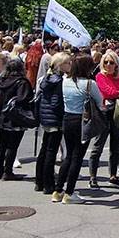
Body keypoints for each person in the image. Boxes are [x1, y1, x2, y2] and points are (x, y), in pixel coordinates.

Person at [53, 54, 97, 204]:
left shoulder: (65, 81)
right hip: (81, 121)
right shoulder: (89, 84)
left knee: (69, 155)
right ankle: (70, 192)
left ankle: (58, 190)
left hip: (68, 118)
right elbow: (101, 102)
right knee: (77, 158)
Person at [0, 57, 33, 180]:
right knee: (12, 146)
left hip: (2, 116)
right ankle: (8, 172)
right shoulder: (22, 82)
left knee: (1, 144)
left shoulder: (2, 80)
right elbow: (24, 99)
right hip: (16, 117)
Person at [88, 51, 119, 187]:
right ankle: (93, 176)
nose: (108, 65)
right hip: (103, 114)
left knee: (115, 146)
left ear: (116, 64)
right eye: (106, 62)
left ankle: (113, 175)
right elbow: (108, 92)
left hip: (117, 113)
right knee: (98, 146)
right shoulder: (99, 76)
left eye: (111, 62)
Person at [34, 52, 68, 195]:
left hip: (45, 117)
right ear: (60, 65)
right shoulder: (58, 80)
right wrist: (62, 116)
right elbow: (56, 102)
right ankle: (49, 184)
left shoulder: (46, 78)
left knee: (44, 149)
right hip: (54, 119)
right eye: (68, 63)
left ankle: (39, 181)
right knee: (50, 152)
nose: (70, 65)